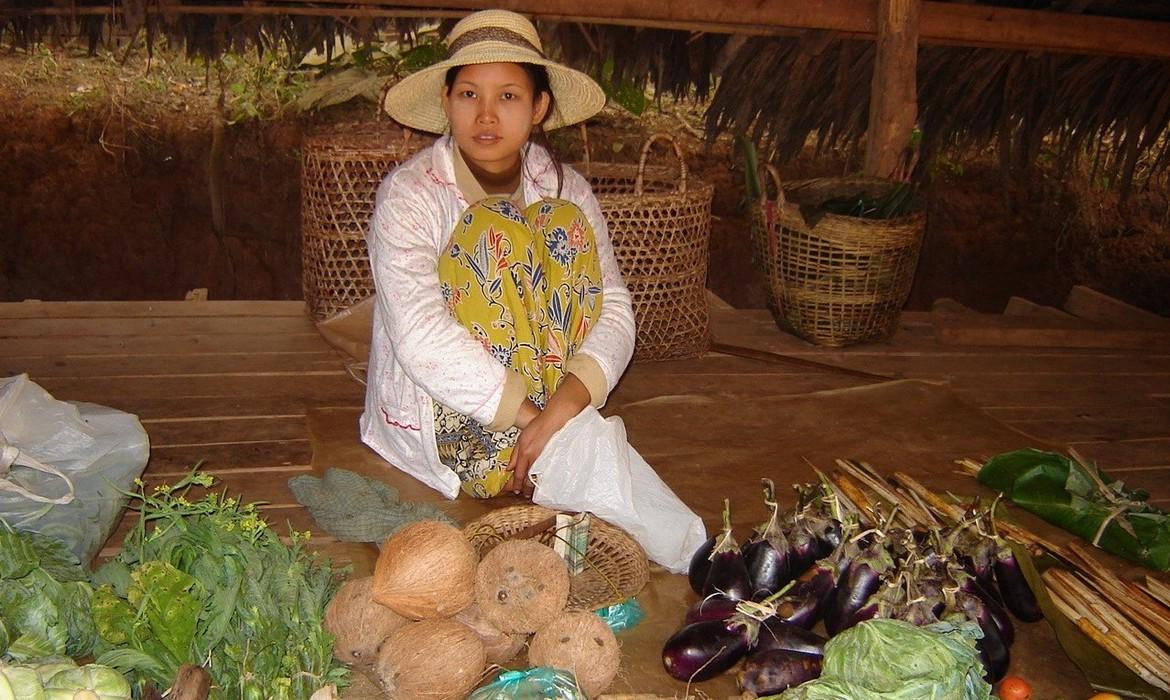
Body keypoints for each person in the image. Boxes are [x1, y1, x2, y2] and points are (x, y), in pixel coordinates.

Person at [360, 10, 636, 501]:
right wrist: (531, 419)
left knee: (560, 223)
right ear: (446, 101)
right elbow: (419, 331)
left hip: (550, 403)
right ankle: (517, 448)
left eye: (508, 96)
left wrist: (563, 410)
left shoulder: (566, 190)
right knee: (490, 226)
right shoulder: (410, 195)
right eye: (469, 94)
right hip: (449, 410)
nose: (486, 115)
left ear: (538, 106)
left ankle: (542, 443)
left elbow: (613, 305)